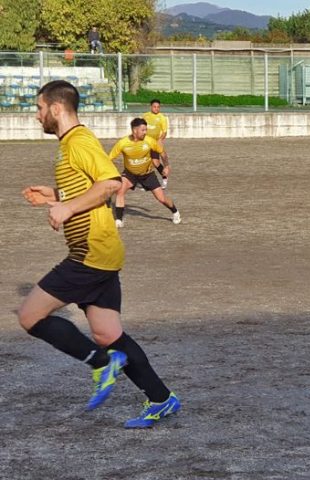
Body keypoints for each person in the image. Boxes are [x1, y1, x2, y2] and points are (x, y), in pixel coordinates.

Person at [18, 80, 180, 428]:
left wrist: (65, 209)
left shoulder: (78, 141)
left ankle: (101, 363)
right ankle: (161, 398)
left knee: (30, 316)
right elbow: (88, 183)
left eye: (39, 108)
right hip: (100, 251)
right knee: (109, 334)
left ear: (56, 108)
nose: (37, 115)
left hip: (90, 251)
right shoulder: (69, 145)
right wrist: (55, 195)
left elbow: (110, 183)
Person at [109, 117, 181, 228]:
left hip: (148, 175)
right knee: (120, 191)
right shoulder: (122, 143)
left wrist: (167, 166)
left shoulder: (149, 141)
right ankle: (119, 220)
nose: (145, 132)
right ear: (134, 131)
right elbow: (109, 158)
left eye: (145, 130)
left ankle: (175, 212)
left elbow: (162, 153)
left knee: (161, 199)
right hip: (130, 174)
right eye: (143, 130)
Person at [141, 99, 170, 189]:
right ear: (151, 107)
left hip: (154, 143)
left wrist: (160, 140)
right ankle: (143, 182)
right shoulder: (145, 116)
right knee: (142, 162)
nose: (156, 108)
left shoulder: (162, 118)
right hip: (144, 143)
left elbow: (164, 132)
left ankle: (164, 177)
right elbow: (140, 128)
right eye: (154, 106)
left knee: (156, 162)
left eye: (158, 107)